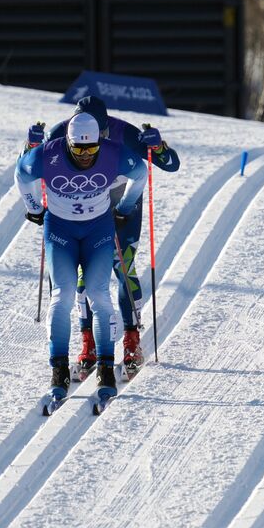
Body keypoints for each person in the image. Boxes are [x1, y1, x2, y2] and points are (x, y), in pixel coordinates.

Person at [28, 96, 178, 380]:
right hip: (80, 214)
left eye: (100, 136)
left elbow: (171, 165)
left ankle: (132, 340)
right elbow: (27, 167)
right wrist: (31, 145)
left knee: (124, 269)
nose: (89, 149)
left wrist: (158, 146)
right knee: (84, 278)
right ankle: (89, 344)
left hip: (121, 210)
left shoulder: (128, 134)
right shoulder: (59, 134)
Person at [16, 113, 148, 410]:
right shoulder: (48, 155)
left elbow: (140, 173)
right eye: (79, 149)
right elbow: (22, 172)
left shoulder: (113, 152)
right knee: (62, 296)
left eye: (92, 149)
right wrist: (34, 207)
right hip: (60, 231)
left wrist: (125, 206)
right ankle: (59, 371)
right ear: (68, 143)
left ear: (100, 142)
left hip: (98, 230)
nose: (86, 156)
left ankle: (105, 369)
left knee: (99, 295)